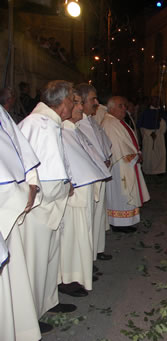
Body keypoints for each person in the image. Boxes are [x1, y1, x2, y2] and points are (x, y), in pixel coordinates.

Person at [18, 80, 76, 327]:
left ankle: (48, 302)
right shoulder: (40, 126)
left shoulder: (48, 123)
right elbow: (48, 180)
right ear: (63, 104)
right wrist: (66, 186)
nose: (75, 104)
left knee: (49, 260)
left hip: (48, 207)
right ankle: (30, 316)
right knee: (35, 264)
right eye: (73, 99)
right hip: (39, 210)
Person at [60, 91, 110, 295]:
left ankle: (80, 272)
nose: (81, 107)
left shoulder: (75, 130)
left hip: (85, 190)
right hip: (74, 196)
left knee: (82, 235)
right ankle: (68, 279)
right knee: (71, 238)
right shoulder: (62, 130)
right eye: (78, 103)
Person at [0, 105, 42, 340]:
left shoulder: (2, 113)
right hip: (5, 201)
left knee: (11, 279)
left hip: (12, 201)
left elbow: (20, 152)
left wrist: (31, 185)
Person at [76, 83, 113, 262]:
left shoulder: (92, 120)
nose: (97, 102)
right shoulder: (78, 123)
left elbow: (101, 142)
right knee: (89, 220)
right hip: (90, 177)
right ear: (81, 101)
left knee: (98, 217)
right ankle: (88, 257)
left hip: (101, 171)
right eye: (93, 99)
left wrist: (106, 157)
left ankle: (97, 250)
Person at [102, 96, 150, 232]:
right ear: (111, 108)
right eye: (121, 106)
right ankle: (118, 223)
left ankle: (125, 222)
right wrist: (133, 155)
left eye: (124, 105)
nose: (124, 108)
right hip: (119, 167)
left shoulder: (116, 121)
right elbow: (116, 147)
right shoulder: (110, 123)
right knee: (121, 195)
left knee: (124, 194)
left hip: (125, 165)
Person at [138, 97, 167, 175]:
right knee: (148, 153)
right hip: (148, 136)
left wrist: (160, 122)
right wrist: (149, 133)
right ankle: (148, 169)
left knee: (159, 153)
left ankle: (159, 170)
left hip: (159, 135)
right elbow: (141, 126)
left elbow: (165, 124)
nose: (156, 102)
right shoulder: (146, 112)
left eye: (158, 100)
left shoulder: (161, 112)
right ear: (151, 101)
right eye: (154, 100)